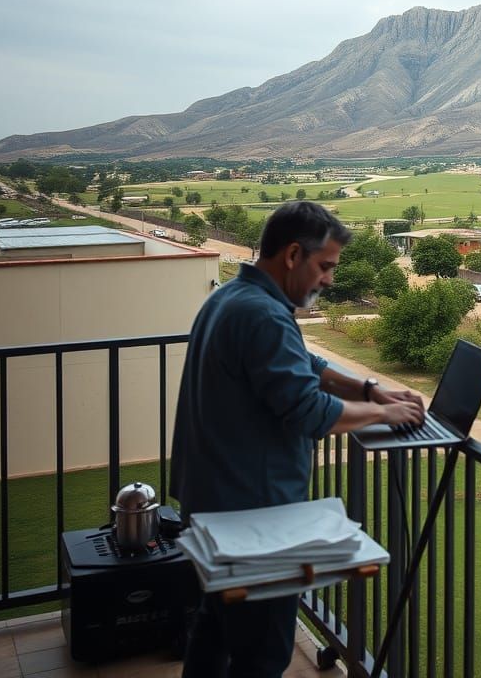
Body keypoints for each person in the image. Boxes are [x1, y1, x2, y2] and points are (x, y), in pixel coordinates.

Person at [170, 201, 425, 678]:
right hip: (252, 520)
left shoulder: (231, 297)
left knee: (215, 633)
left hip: (211, 503)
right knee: (263, 656)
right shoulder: (263, 315)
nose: (328, 279)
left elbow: (302, 366)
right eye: (324, 266)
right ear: (292, 255)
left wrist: (369, 389)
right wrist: (386, 412)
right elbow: (308, 410)